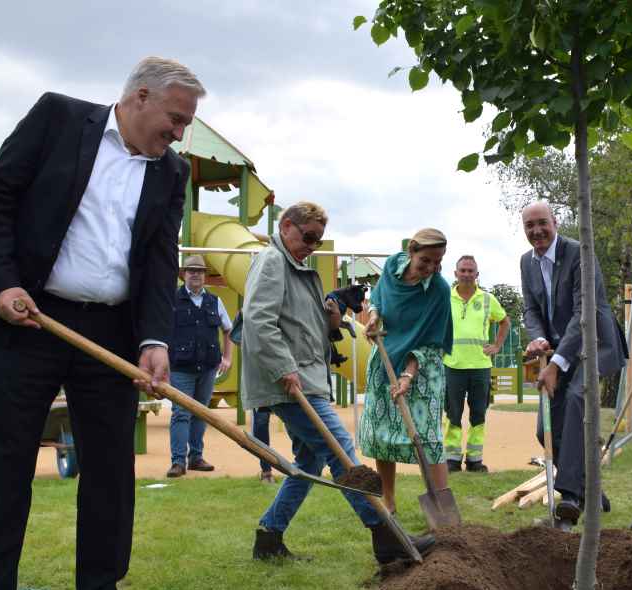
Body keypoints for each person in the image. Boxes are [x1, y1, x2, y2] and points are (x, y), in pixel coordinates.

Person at [0, 57, 204, 590]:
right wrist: (5, 284)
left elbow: (157, 256)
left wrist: (153, 338)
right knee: (4, 471)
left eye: (186, 125)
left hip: (110, 334)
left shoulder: (171, 171)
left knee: (113, 475)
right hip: (30, 319)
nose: (179, 134)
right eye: (176, 120)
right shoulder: (58, 118)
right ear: (139, 97)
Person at [240, 201, 433, 563]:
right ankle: (386, 536)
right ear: (286, 227)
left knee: (311, 462)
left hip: (305, 376)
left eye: (318, 239)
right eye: (308, 236)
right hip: (290, 380)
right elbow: (258, 319)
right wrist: (284, 368)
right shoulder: (271, 261)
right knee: (343, 452)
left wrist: (330, 319)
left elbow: (301, 328)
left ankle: (269, 537)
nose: (312, 245)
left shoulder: (296, 267)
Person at [519, 201, 627, 528]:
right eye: (529, 226)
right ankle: (589, 488)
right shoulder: (527, 262)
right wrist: (538, 339)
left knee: (577, 401)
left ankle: (568, 502)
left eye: (542, 223)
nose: (536, 230)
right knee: (545, 428)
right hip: (557, 350)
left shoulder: (580, 253)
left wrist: (557, 364)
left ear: (555, 221)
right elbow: (531, 310)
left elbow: (584, 312)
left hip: (594, 344)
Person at [360, 229, 453, 514]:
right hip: (386, 356)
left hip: (424, 364)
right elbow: (377, 299)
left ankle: (441, 511)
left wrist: (409, 375)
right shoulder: (390, 266)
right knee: (381, 434)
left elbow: (433, 339)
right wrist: (374, 316)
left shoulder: (439, 289)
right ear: (411, 250)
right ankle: (389, 502)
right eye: (426, 261)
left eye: (437, 263)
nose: (431, 269)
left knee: (427, 437)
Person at [442, 255, 511, 473]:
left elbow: (504, 322)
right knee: (452, 414)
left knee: (478, 413)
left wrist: (497, 345)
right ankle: (452, 459)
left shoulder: (488, 300)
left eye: (471, 271)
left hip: (480, 366)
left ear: (477, 275)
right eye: (463, 270)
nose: (466, 274)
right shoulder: (445, 298)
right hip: (452, 365)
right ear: (455, 273)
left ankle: (474, 460)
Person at [167, 254, 232, 477]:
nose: (196, 274)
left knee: (201, 413)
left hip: (208, 367)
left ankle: (196, 457)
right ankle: (177, 462)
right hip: (179, 368)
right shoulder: (171, 299)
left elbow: (228, 329)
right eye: (191, 270)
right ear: (184, 274)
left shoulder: (215, 301)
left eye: (200, 271)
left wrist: (227, 358)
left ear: (205, 276)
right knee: (181, 413)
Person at [230, 310, 275, 483]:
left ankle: (302, 469)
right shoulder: (251, 308)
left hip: (289, 370)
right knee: (261, 421)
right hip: (261, 375)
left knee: (296, 424)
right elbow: (236, 337)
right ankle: (266, 470)